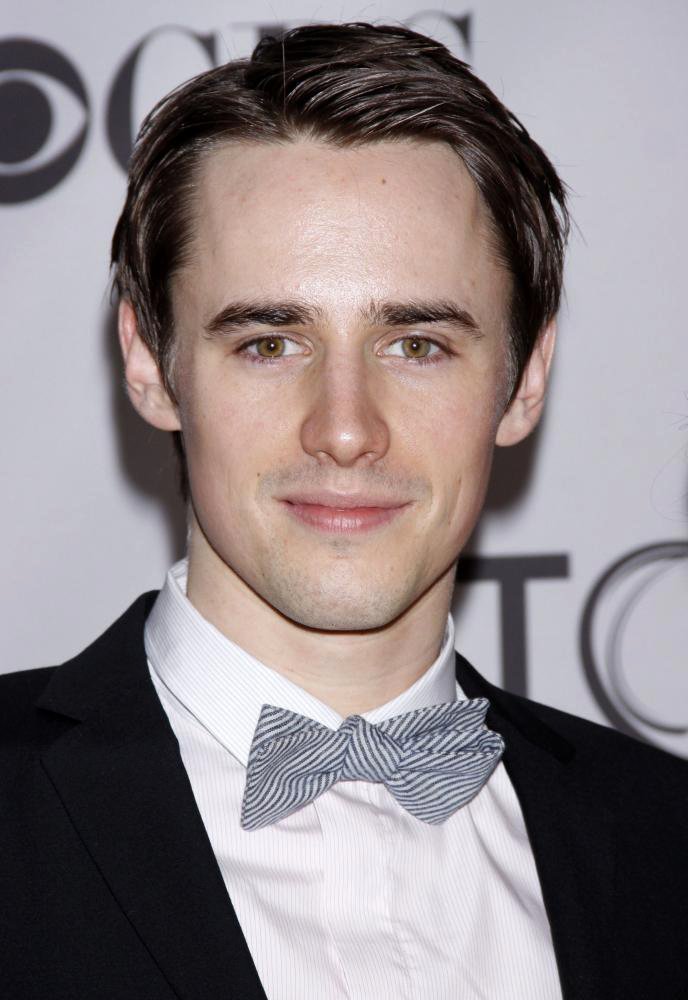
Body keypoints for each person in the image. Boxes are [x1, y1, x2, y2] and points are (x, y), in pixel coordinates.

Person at [1, 22, 686, 1000]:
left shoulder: (663, 837)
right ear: (151, 365)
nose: (346, 429)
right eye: (269, 342)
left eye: (416, 344)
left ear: (524, 378)